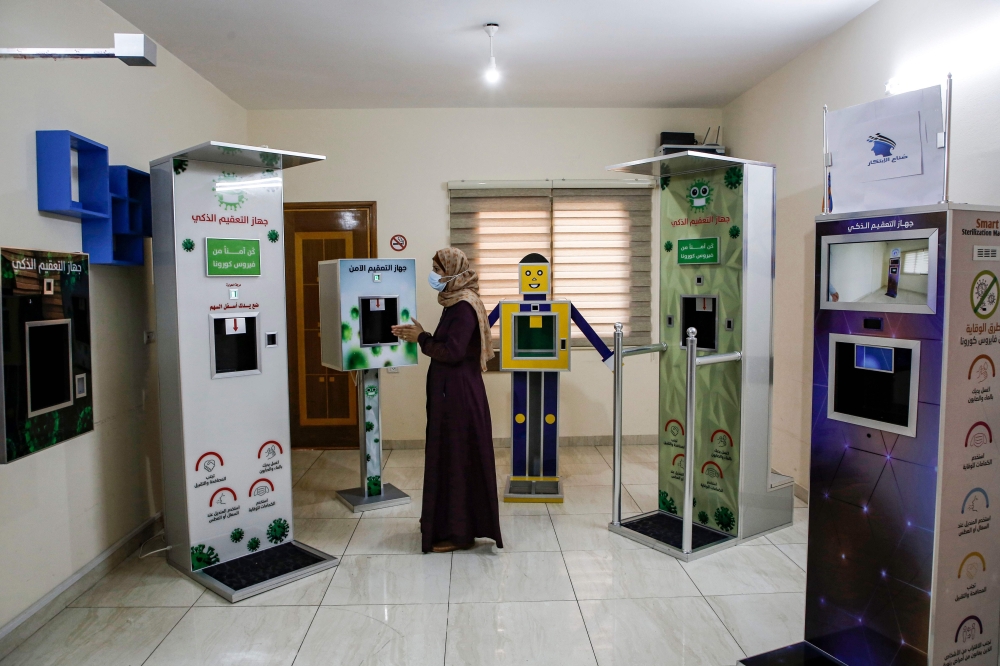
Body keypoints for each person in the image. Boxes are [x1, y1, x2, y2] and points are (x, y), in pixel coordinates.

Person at [391, 248, 504, 553]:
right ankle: (445, 524)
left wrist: (422, 338)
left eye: (438, 270)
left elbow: (452, 352)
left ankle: (459, 533)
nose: (436, 276)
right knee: (449, 458)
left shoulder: (464, 306)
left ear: (453, 271)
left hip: (459, 398)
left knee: (456, 461)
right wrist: (422, 336)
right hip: (453, 394)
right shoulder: (454, 302)